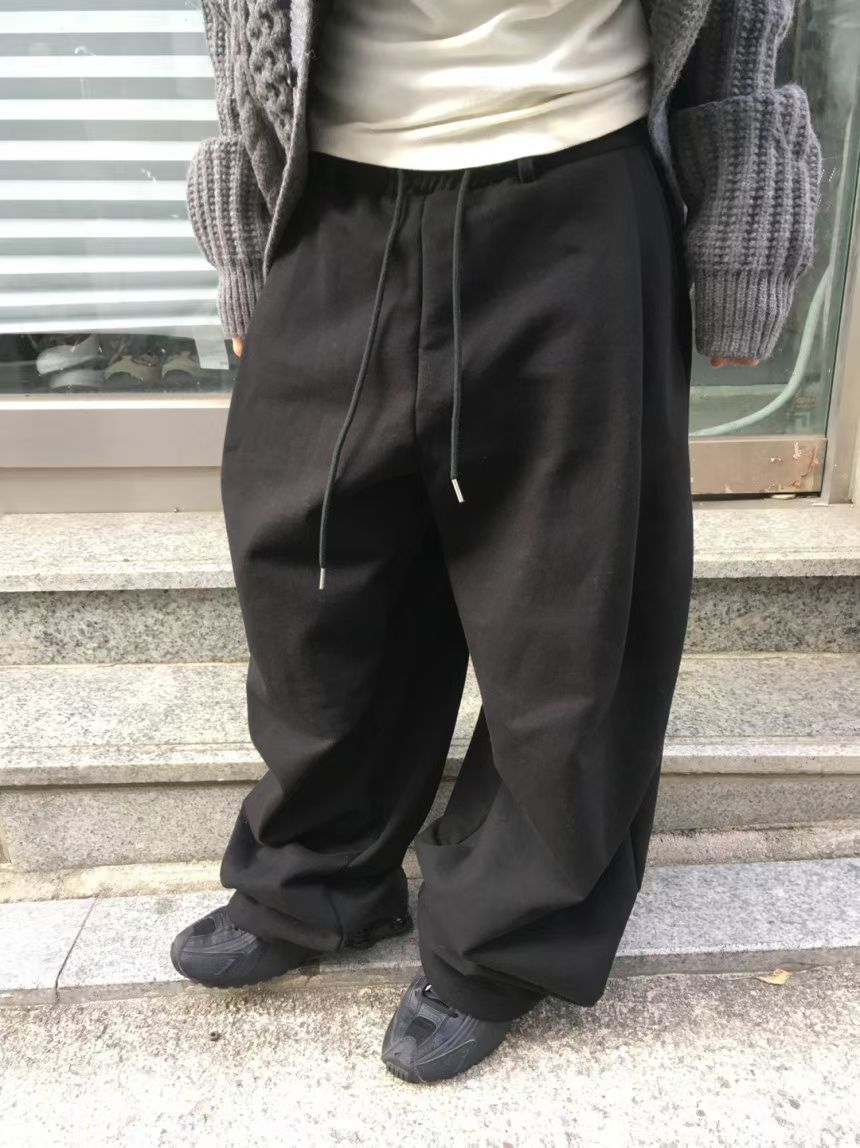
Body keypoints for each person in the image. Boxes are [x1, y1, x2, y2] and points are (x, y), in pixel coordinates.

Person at [171, 0, 821, 1083]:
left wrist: (741, 243)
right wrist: (247, 231)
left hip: (577, 191)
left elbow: (745, 20)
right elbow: (237, 25)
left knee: (567, 607)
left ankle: (502, 933)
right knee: (310, 576)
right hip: (331, 197)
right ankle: (321, 871)